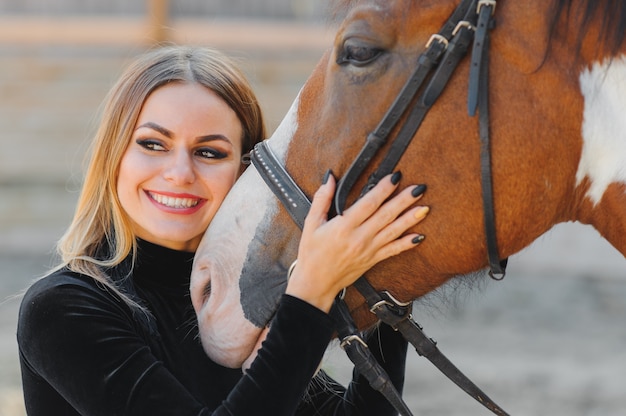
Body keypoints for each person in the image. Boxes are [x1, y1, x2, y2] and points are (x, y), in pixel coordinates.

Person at [17, 45, 430, 415]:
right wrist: (310, 294)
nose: (179, 173)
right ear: (114, 157)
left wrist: (384, 276)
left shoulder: (246, 297)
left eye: (209, 152)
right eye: (152, 144)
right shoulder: (60, 309)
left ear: (245, 172)